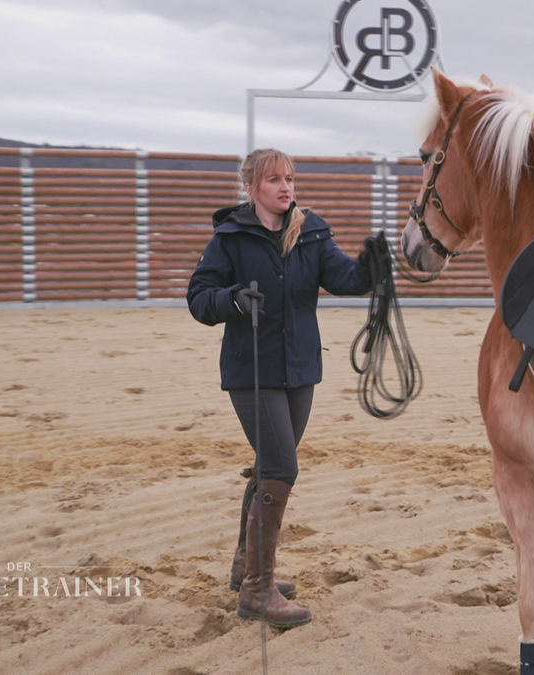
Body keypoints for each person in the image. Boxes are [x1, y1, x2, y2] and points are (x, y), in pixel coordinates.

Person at [187, 148, 374, 629]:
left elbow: (344, 278)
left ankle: (244, 568)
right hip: (251, 372)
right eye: (274, 180)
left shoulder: (310, 231)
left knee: (269, 466)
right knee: (281, 467)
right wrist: (233, 299)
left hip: (301, 371)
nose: (286, 187)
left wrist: (373, 267)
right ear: (251, 188)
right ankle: (256, 590)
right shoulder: (230, 237)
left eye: (290, 178)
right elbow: (199, 299)